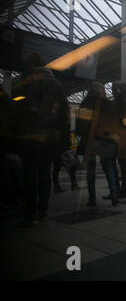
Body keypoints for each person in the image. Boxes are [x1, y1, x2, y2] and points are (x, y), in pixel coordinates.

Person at [11, 53, 70, 226]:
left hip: (30, 134)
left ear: (30, 65)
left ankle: (31, 213)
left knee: (30, 173)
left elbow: (19, 107)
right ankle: (43, 211)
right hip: (51, 137)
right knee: (45, 172)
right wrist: (62, 137)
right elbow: (64, 112)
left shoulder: (26, 81)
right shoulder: (57, 85)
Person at [76, 82, 119, 206]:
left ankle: (92, 198)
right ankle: (114, 193)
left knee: (91, 169)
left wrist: (84, 133)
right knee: (108, 166)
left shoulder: (85, 103)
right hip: (106, 139)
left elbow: (81, 123)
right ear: (102, 91)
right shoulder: (109, 104)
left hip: (90, 139)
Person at [105, 82, 126, 200]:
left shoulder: (122, 100)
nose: (112, 91)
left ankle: (118, 191)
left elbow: (121, 117)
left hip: (119, 135)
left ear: (119, 89)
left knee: (116, 162)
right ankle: (122, 190)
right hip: (124, 135)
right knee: (122, 163)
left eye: (113, 88)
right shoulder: (125, 99)